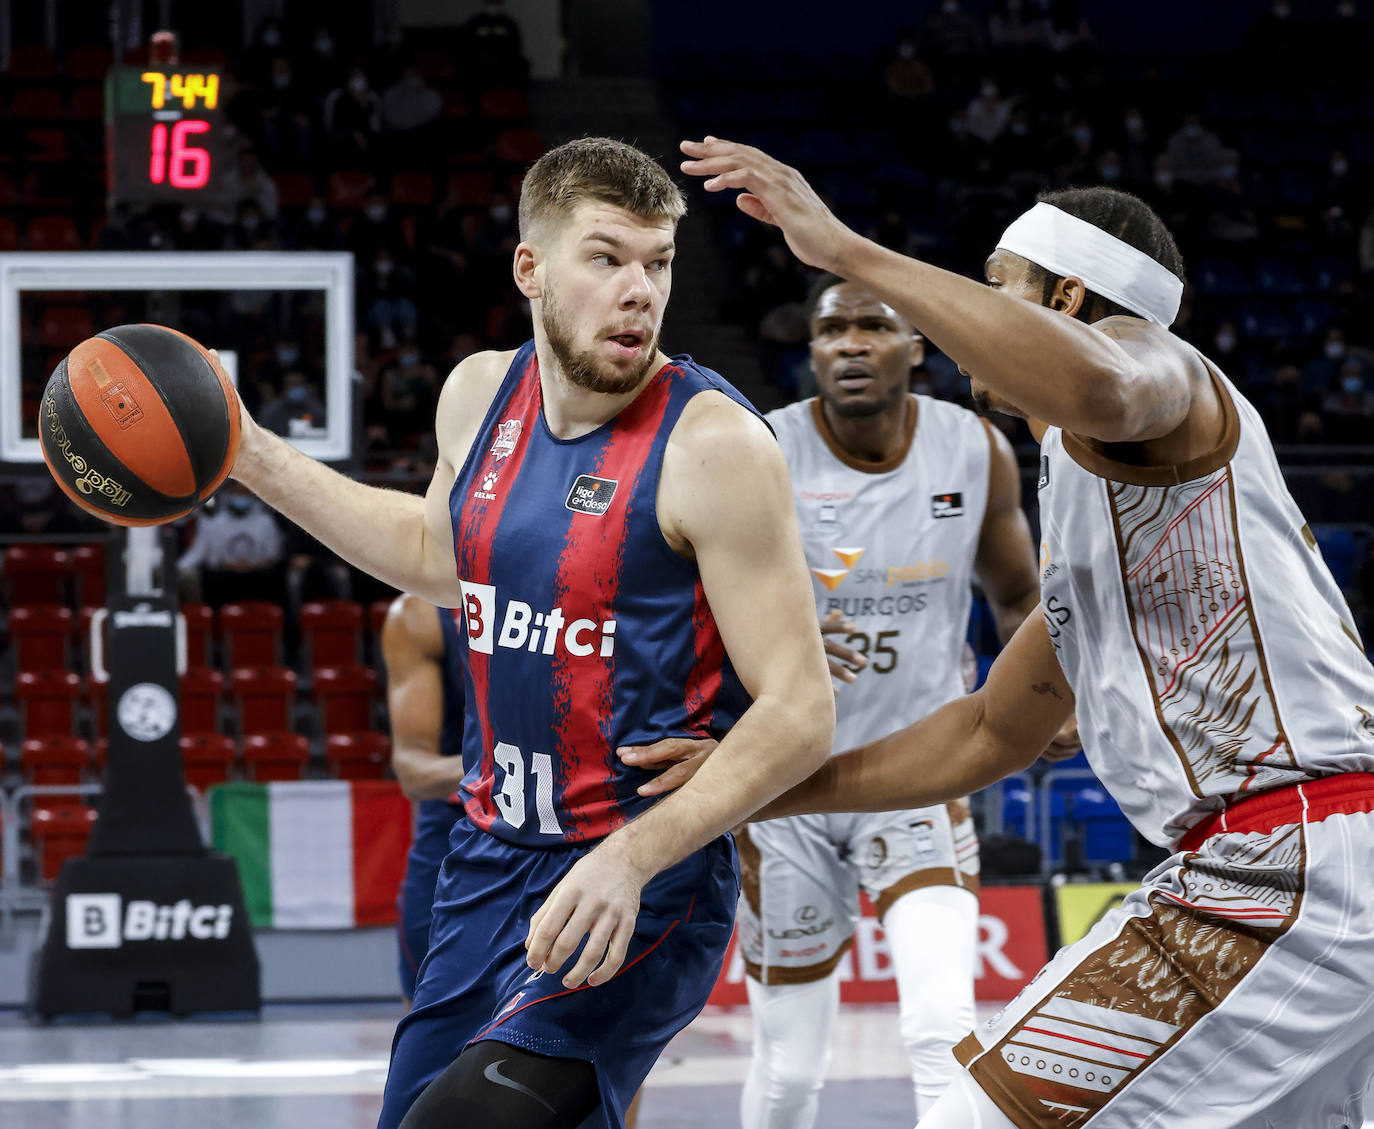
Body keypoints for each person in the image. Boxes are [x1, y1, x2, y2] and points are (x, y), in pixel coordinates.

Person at [683, 133, 1374, 1128]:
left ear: (1066, 301)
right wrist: (751, 792)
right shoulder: (1094, 502)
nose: (966, 316)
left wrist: (844, 251)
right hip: (1309, 863)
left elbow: (1100, 386)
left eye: (994, 286)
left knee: (973, 1113)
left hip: (1283, 865)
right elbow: (987, 732)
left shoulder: (1160, 370)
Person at [225, 136, 834, 1129]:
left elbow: (803, 709)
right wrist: (251, 454)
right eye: (606, 258)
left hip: (637, 874)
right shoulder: (476, 394)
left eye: (658, 262)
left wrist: (634, 857)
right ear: (532, 267)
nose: (639, 289)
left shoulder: (716, 445)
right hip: (484, 862)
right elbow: (436, 555)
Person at [738, 274, 1056, 1128]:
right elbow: (702, 617)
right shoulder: (761, 450)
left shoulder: (975, 448)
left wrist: (1048, 700)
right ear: (809, 351)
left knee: (941, 1025)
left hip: (918, 772)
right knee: (790, 1066)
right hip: (785, 791)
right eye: (830, 329)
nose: (849, 344)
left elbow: (1020, 597)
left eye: (873, 326)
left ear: (917, 346)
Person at [383, 592, 648, 1127]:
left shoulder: (598, 589)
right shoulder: (419, 616)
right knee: (435, 1064)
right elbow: (411, 769)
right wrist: (513, 761)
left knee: (597, 1036)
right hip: (462, 848)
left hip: (582, 842)